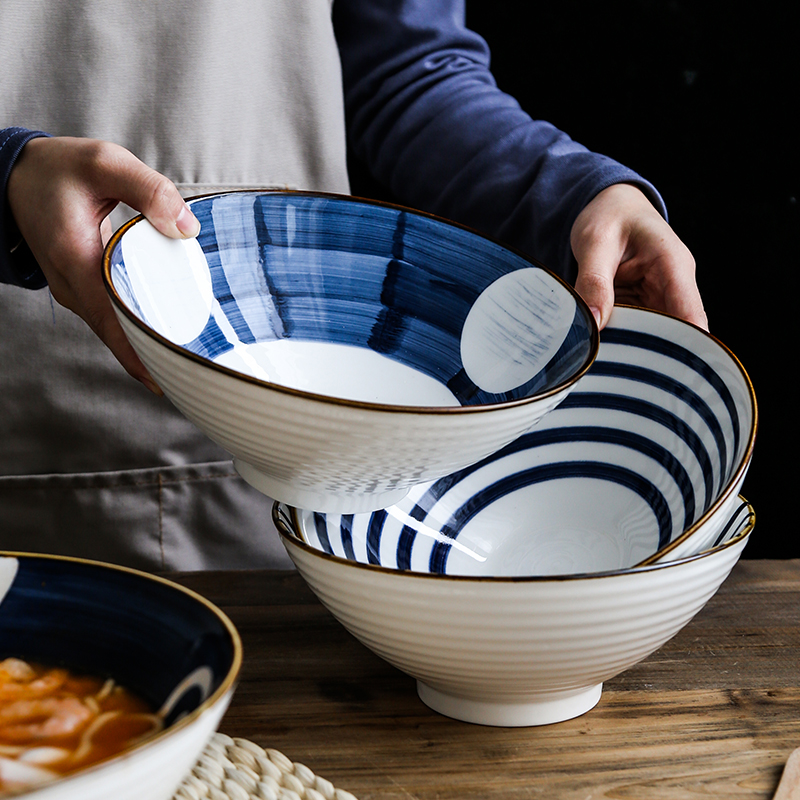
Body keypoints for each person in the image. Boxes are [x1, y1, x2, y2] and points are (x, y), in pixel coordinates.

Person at [0, 0, 706, 572]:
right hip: (24, 427)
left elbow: (405, 71)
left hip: (306, 450)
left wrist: (575, 194)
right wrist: (8, 175)